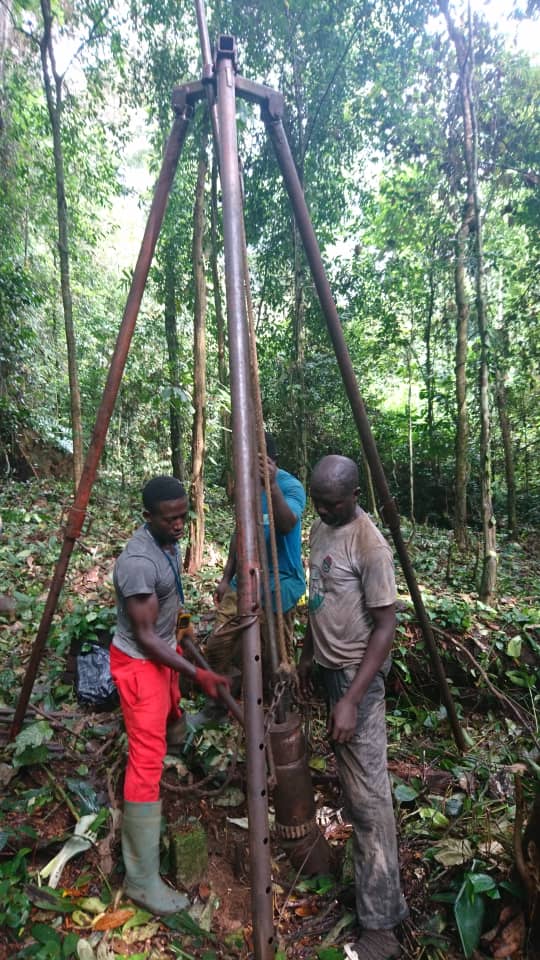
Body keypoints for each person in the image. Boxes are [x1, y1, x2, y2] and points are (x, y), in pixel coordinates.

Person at [298, 455, 408, 960]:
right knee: (356, 789)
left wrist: (350, 699)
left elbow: (384, 627)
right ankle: (369, 894)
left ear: (354, 495)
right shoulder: (325, 526)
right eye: (318, 500)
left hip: (356, 681)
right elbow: (319, 594)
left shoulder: (370, 545)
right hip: (330, 670)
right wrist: (307, 655)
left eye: (332, 502)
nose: (321, 508)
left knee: (368, 803)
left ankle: (382, 927)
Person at [110, 476, 230, 915]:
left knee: (173, 706)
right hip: (139, 665)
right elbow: (145, 638)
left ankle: (181, 740)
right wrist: (199, 673)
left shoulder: (167, 543)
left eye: (184, 515)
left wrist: (183, 635)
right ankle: (141, 879)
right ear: (149, 517)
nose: (180, 524)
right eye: (171, 518)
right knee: (145, 758)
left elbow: (166, 613)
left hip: (162, 655)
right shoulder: (137, 562)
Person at [206, 433, 306, 692]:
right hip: (244, 580)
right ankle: (223, 699)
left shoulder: (290, 486)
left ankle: (279, 706)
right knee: (218, 645)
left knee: (276, 656)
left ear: (273, 461)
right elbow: (239, 533)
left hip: (280, 581)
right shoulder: (246, 488)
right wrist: (226, 579)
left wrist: (271, 486)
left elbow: (287, 524)